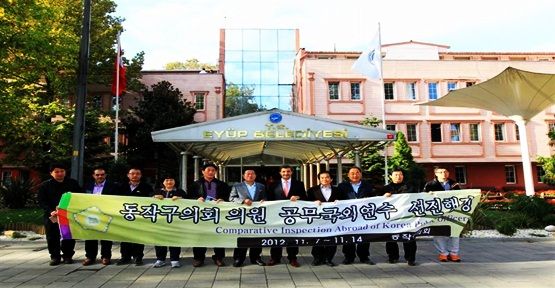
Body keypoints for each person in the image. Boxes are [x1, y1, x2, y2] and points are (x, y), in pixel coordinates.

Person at [37, 163, 83, 266]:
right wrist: (50, 211)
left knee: (68, 235)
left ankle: (68, 255)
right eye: (56, 171)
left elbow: (79, 197)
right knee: (52, 236)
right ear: (51, 173)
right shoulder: (45, 185)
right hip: (52, 215)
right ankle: (55, 256)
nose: (59, 173)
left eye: (62, 171)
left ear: (65, 172)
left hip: (68, 215)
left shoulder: (73, 183)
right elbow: (42, 201)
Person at [187, 163, 231, 267]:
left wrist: (223, 200)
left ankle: (219, 257)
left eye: (213, 170)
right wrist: (196, 199)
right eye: (208, 170)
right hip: (201, 215)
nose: (211, 172)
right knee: (200, 236)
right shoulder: (195, 184)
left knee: (219, 235)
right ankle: (199, 258)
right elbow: (188, 198)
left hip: (218, 214)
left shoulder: (222, 184)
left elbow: (229, 198)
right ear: (203, 171)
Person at [266, 165, 306, 267]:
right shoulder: (273, 184)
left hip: (293, 215)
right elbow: (269, 199)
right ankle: (275, 258)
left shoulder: (299, 184)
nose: (286, 173)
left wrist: (298, 197)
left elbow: (305, 198)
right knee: (276, 236)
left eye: (288, 171)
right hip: (277, 215)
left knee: (292, 236)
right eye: (283, 171)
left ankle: (293, 258)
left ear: (291, 172)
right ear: (280, 173)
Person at [337, 166, 377, 265]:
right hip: (348, 216)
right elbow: (337, 198)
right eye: (352, 173)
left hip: (363, 216)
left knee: (364, 237)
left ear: (361, 174)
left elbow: (375, 198)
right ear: (348, 175)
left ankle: (364, 257)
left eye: (357, 173)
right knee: (348, 236)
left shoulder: (368, 185)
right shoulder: (342, 186)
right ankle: (349, 257)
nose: (355, 175)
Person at [116, 167, 154, 266]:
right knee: (125, 237)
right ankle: (125, 257)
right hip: (124, 216)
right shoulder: (121, 186)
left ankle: (138, 257)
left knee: (138, 238)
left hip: (139, 217)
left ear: (141, 175)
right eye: (132, 173)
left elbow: (152, 199)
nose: (135, 175)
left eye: (137, 173)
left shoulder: (147, 187)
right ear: (128, 175)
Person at [423, 166, 462, 262]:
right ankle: (443, 253)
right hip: (437, 212)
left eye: (445, 172)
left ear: (448, 173)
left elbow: (461, 196)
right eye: (440, 172)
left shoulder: (454, 184)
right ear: (436, 174)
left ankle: (454, 253)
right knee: (439, 233)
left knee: (455, 232)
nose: (443, 174)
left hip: (454, 212)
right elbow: (423, 197)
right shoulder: (430, 185)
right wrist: (428, 195)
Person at [229, 169, 267, 267]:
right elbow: (232, 198)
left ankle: (256, 258)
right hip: (243, 216)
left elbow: (265, 198)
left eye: (252, 174)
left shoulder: (261, 186)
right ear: (243, 176)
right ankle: (239, 258)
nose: (250, 175)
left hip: (257, 216)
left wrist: (264, 200)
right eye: (248, 174)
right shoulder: (237, 186)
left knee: (257, 237)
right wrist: (243, 201)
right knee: (242, 237)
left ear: (255, 176)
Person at [82, 167, 118, 266]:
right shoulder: (87, 185)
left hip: (106, 214)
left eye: (102, 174)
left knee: (106, 237)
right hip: (91, 214)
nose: (100, 176)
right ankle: (90, 257)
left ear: (105, 175)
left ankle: (106, 257)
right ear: (93, 176)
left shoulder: (113, 186)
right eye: (97, 175)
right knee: (90, 236)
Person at [307, 171, 343, 267]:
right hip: (318, 220)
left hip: (333, 220)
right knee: (317, 239)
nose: (325, 179)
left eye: (327, 177)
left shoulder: (338, 190)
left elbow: (344, 201)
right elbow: (306, 203)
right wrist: (313, 202)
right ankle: (317, 258)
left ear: (331, 179)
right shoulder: (312, 190)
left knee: (331, 239)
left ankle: (328, 259)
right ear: (319, 179)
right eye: (322, 178)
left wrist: (339, 202)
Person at [382, 168, 417, 266]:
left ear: (403, 176)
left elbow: (419, 197)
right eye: (396, 175)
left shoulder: (410, 187)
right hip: (391, 218)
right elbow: (378, 201)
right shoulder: (386, 188)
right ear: (391, 176)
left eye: (400, 175)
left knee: (409, 238)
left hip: (407, 217)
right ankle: (393, 257)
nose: (398, 177)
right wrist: (383, 196)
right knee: (390, 238)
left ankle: (410, 258)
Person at [152, 175, 186, 268]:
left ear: (175, 182)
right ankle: (160, 259)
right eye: (166, 180)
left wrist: (181, 199)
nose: (169, 182)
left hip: (175, 221)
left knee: (174, 240)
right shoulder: (157, 191)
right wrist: (153, 197)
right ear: (163, 182)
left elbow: (189, 202)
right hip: (160, 221)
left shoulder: (180, 192)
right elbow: (147, 203)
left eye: (171, 180)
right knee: (159, 240)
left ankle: (175, 259)